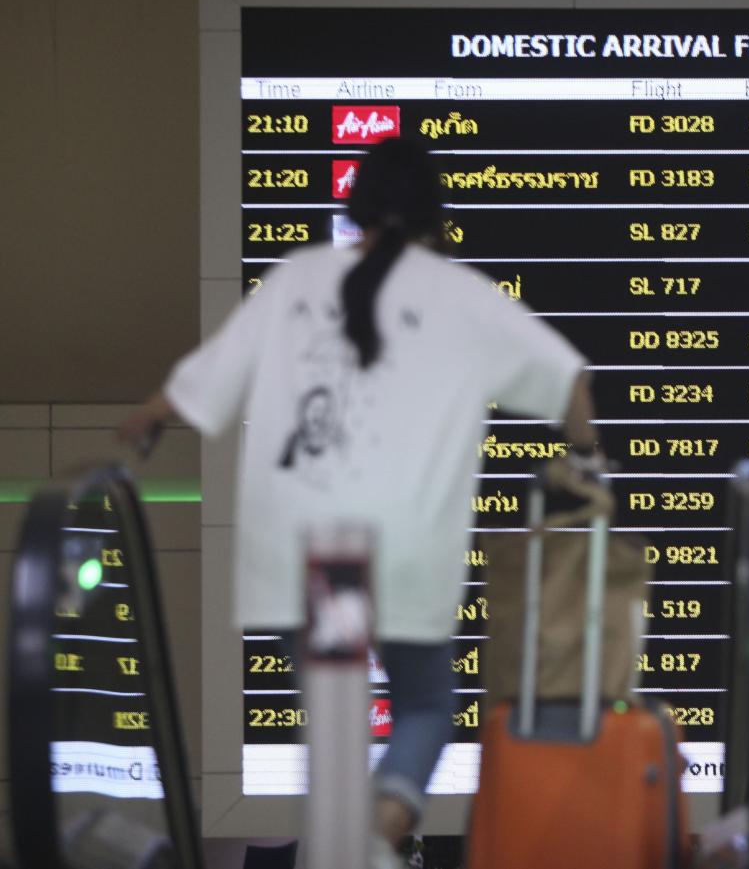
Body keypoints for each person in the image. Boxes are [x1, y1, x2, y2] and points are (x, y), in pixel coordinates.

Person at [118, 137, 599, 866]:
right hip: (402, 550)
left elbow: (200, 384)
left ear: (358, 205)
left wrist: (146, 418)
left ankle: (341, 841)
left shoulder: (296, 277)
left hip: (300, 550)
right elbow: (569, 384)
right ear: (435, 217)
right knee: (428, 705)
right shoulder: (460, 293)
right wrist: (585, 464)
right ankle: (374, 837)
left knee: (333, 722)